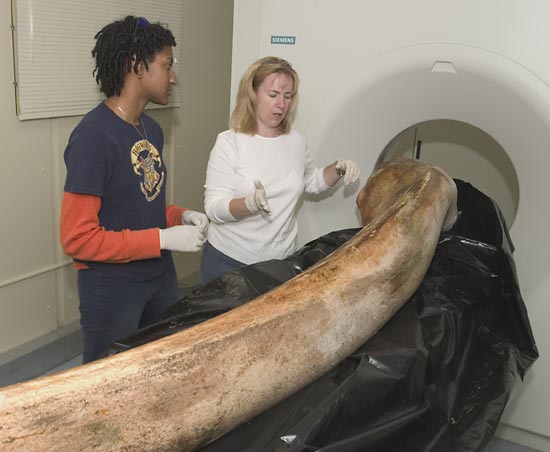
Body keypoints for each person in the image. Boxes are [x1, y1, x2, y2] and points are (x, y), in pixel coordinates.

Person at [60, 16, 208, 363]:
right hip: (113, 287)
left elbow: (140, 205)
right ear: (136, 66)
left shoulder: (152, 130)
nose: (173, 77)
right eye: (167, 65)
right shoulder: (93, 138)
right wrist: (161, 239)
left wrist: (178, 216)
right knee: (108, 382)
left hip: (159, 277)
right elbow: (77, 238)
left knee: (163, 364)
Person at [201, 56, 360, 284]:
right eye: (273, 95)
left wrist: (339, 167)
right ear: (253, 94)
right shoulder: (230, 142)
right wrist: (250, 204)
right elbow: (213, 208)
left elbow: (311, 181)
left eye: (287, 96)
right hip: (229, 262)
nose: (281, 104)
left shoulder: (295, 141)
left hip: (280, 261)